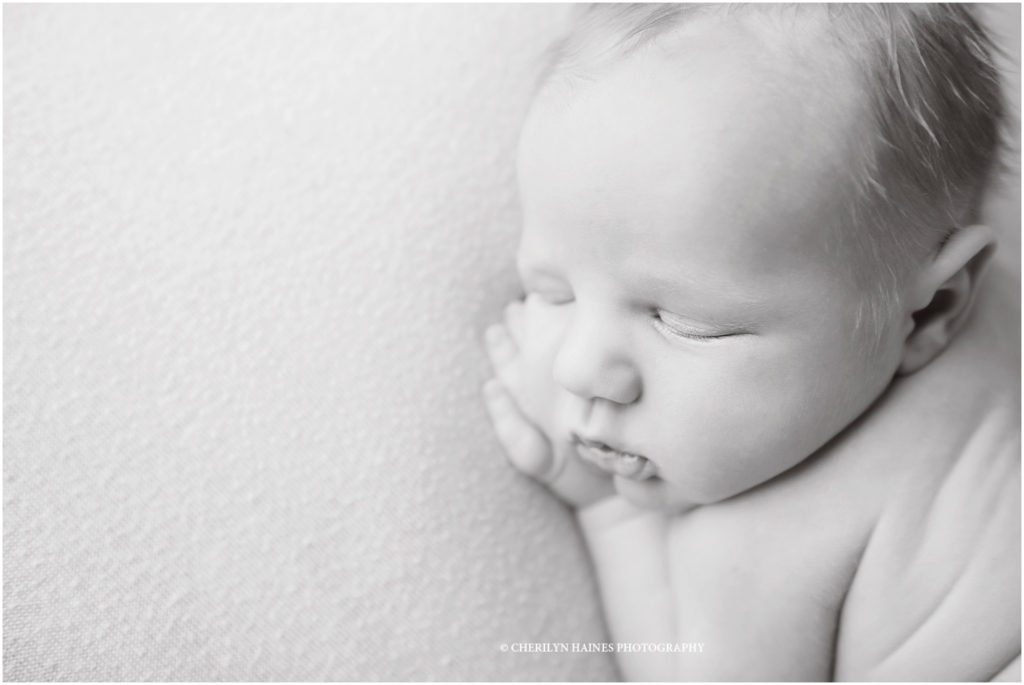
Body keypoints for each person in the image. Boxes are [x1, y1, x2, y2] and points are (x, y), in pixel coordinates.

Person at [482, 4, 1020, 680]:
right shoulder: (1003, 299)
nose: (579, 366)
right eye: (552, 291)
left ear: (933, 305)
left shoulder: (753, 543)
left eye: (685, 323)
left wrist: (610, 512)